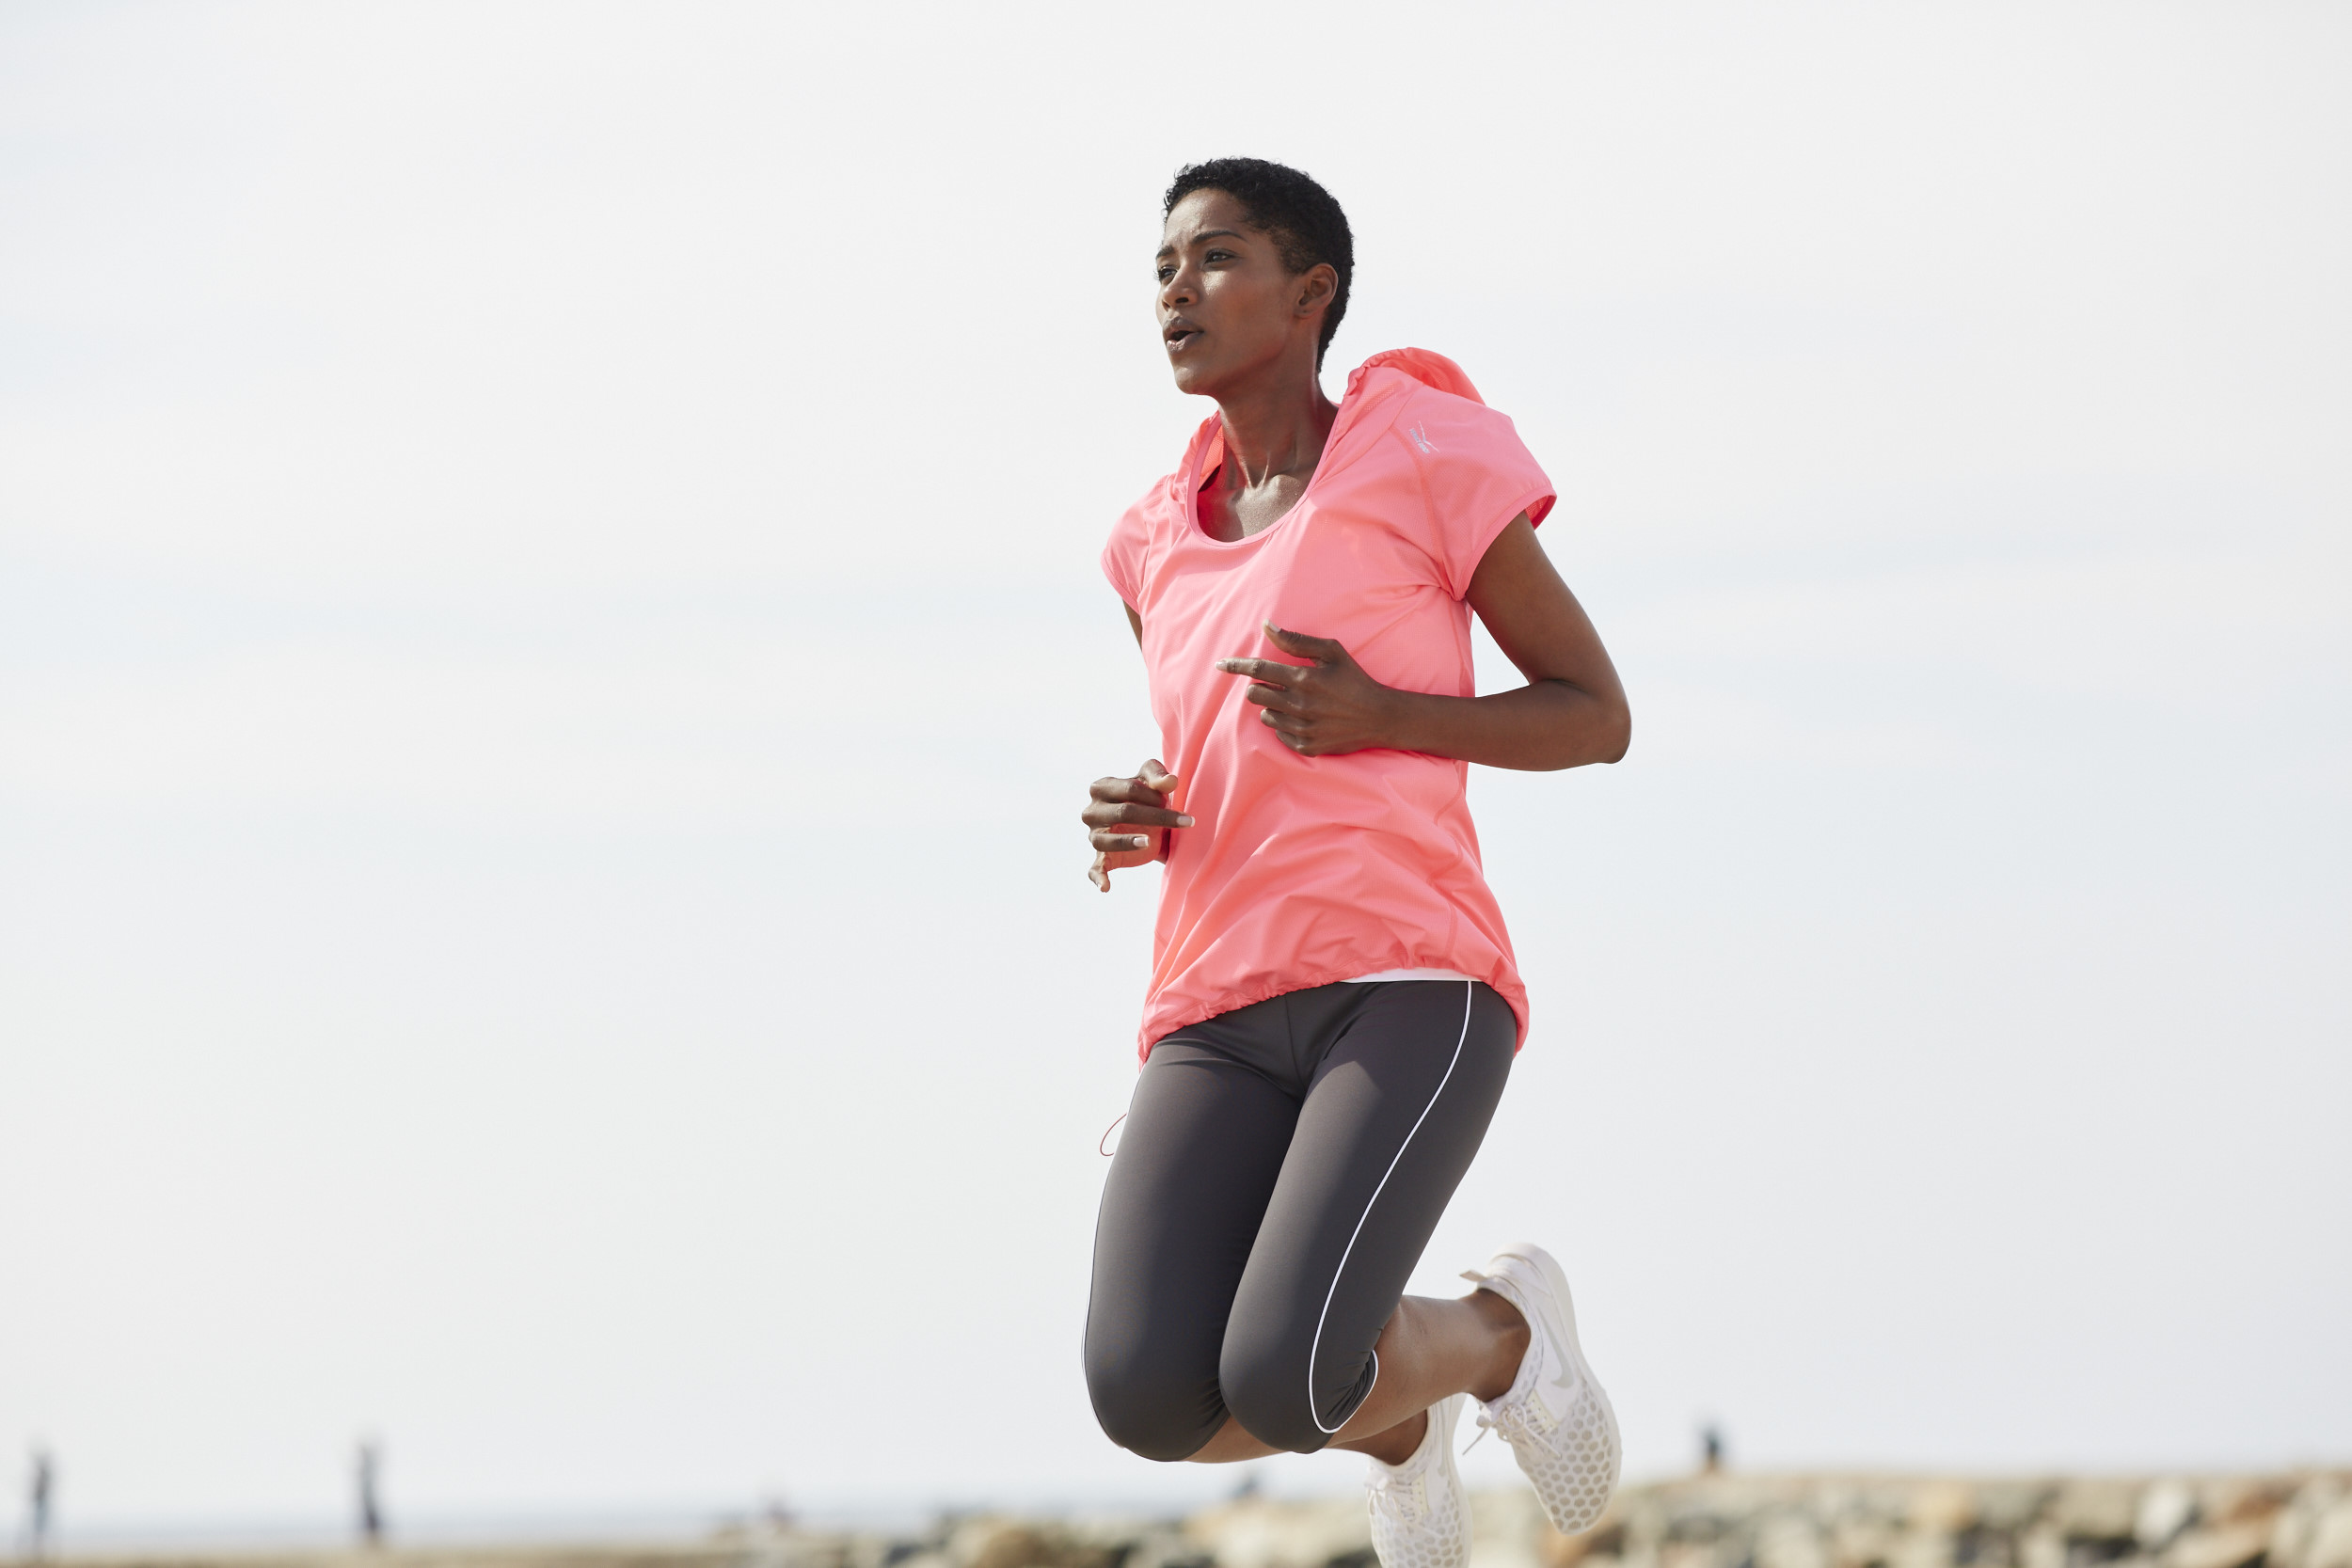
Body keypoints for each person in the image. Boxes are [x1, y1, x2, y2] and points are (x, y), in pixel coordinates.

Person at [1080, 158, 1632, 1568]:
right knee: (1144, 1396)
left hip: (1405, 982)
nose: (1174, 292)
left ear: (1310, 292)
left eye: (1213, 259)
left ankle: (1503, 1333)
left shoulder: (1419, 458)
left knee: (1287, 1376)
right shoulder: (1151, 543)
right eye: (1162, 268)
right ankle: (1408, 1425)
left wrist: (1387, 714)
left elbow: (1594, 714)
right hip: (1212, 1002)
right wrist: (1146, 810)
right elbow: (1219, 754)